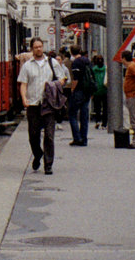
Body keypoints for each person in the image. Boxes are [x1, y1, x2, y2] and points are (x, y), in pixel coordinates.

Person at [17, 37, 70, 175]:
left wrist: (56, 84)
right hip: (33, 104)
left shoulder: (52, 63)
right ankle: (38, 153)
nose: (39, 49)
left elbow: (63, 78)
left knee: (49, 135)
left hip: (49, 104)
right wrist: (24, 98)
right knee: (33, 136)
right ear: (32, 49)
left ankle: (48, 164)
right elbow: (23, 84)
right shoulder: (27, 66)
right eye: (36, 47)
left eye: (40, 46)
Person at [67, 46, 92, 146]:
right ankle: (84, 139)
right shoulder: (87, 61)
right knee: (84, 116)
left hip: (79, 91)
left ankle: (77, 138)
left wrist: (72, 89)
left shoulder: (76, 62)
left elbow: (75, 79)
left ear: (71, 52)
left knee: (72, 114)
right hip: (87, 91)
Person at [89, 53, 108, 130]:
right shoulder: (105, 69)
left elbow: (92, 81)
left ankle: (97, 121)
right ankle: (104, 123)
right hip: (104, 90)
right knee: (105, 108)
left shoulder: (94, 70)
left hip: (96, 91)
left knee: (97, 107)